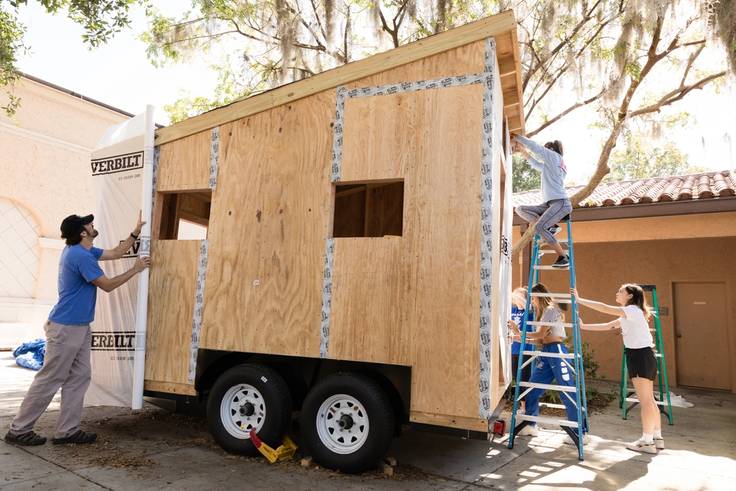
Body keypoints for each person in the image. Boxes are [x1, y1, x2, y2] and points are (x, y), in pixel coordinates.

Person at [4, 212, 150, 446]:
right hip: (66, 328)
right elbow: (108, 286)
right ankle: (19, 430)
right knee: (50, 378)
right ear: (83, 232)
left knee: (79, 377)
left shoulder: (84, 250)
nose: (93, 224)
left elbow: (115, 252)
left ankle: (67, 431)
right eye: (89, 223)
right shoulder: (80, 256)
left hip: (79, 327)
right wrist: (136, 269)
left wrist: (135, 231)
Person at [573, 284, 662, 454]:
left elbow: (605, 308)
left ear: (629, 295)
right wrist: (584, 327)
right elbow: (608, 326)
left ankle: (647, 442)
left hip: (640, 356)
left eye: (620, 291)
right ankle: (657, 438)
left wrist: (579, 299)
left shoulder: (632, 310)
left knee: (645, 401)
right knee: (649, 400)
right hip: (644, 356)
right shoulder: (629, 314)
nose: (617, 293)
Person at [508, 283, 587, 442]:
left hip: (556, 351)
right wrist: (518, 337)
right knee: (532, 388)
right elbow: (540, 338)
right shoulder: (542, 312)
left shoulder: (550, 309)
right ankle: (530, 424)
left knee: (567, 390)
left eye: (533, 298)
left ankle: (579, 431)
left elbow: (541, 333)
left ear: (537, 296)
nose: (532, 302)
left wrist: (518, 332)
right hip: (546, 351)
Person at [511, 136, 571, 268]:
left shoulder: (554, 156)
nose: (544, 152)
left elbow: (536, 148)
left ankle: (563, 257)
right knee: (520, 209)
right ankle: (551, 227)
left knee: (539, 227)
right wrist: (521, 150)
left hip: (560, 203)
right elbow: (535, 163)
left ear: (550, 150)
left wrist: (517, 137)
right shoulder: (554, 165)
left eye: (546, 150)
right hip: (548, 204)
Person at [508, 287, 535, 406]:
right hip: (513, 349)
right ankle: (522, 405)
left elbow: (525, 303)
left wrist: (518, 294)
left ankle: (525, 407)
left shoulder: (529, 312)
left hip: (525, 350)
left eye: (518, 296)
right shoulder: (512, 310)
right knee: (516, 377)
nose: (515, 298)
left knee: (524, 378)